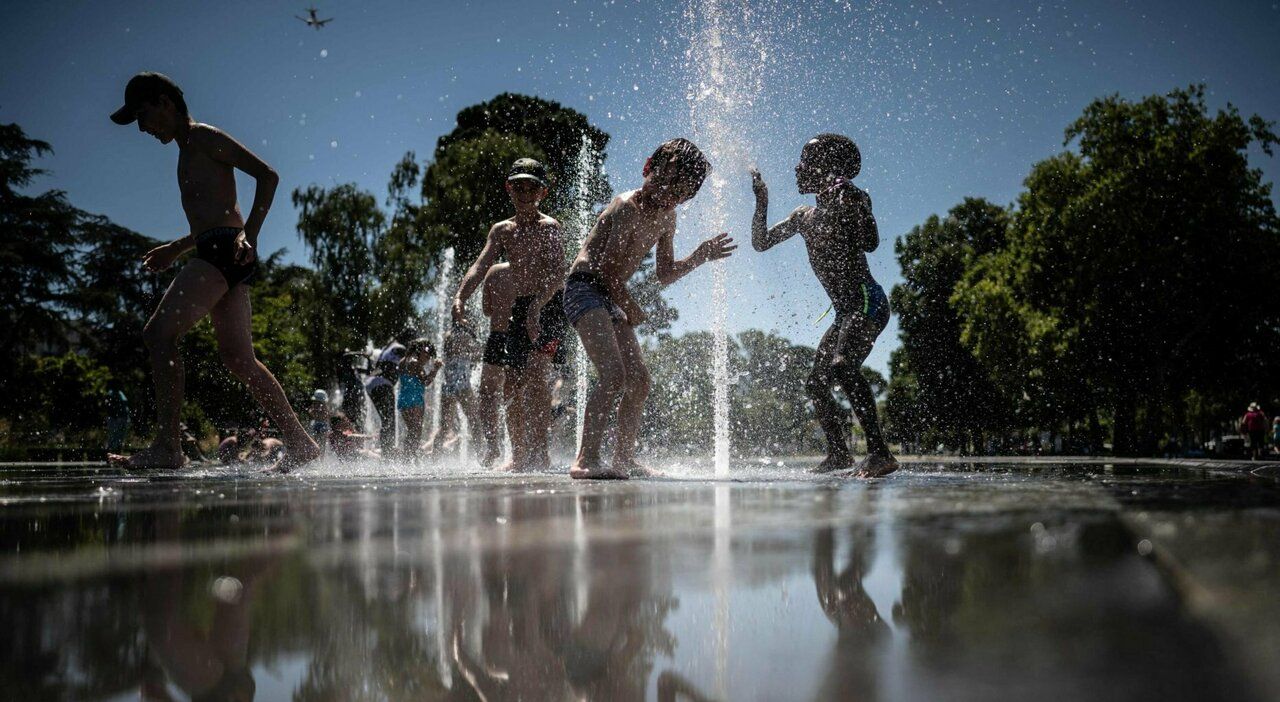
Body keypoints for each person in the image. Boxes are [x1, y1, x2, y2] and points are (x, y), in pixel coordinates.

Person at [106, 71, 319, 471]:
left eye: (143, 114)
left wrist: (250, 237)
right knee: (239, 359)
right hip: (218, 250)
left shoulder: (203, 137)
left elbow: (268, 176)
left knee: (158, 334)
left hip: (224, 251)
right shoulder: (188, 151)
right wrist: (178, 247)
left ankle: (169, 447)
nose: (142, 127)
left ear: (166, 103)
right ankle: (301, 443)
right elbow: (213, 217)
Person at [565, 138, 735, 479]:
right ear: (649, 170)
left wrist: (700, 256)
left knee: (639, 380)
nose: (668, 194)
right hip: (585, 288)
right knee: (613, 375)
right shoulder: (626, 206)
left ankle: (624, 459)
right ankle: (585, 459)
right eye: (664, 182)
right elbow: (606, 271)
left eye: (680, 192)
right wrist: (632, 307)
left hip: (610, 294)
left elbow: (665, 273)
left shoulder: (666, 219)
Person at [750, 133, 896, 477]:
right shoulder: (803, 216)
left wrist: (857, 203)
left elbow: (871, 243)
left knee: (843, 366)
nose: (797, 166)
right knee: (816, 382)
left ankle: (880, 453)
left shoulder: (852, 198)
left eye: (806, 159)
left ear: (829, 168)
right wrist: (762, 201)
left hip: (867, 301)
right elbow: (760, 242)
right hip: (846, 311)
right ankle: (839, 455)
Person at [452, 158, 569, 471]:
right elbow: (480, 264)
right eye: (518, 185)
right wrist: (461, 296)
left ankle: (540, 452)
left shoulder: (549, 227)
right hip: (522, 307)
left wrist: (538, 305)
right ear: (509, 188)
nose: (525, 192)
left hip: (548, 307)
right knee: (512, 383)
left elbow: (559, 272)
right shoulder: (502, 230)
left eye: (532, 186)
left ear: (542, 191)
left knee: (537, 376)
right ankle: (518, 454)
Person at [429, 321, 482, 455]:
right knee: (474, 420)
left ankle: (435, 456)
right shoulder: (462, 338)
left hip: (448, 387)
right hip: (462, 387)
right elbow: (477, 354)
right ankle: (481, 454)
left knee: (445, 425)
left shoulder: (450, 346)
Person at [364, 328, 414, 458]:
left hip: (373, 383)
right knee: (389, 421)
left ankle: (387, 451)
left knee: (387, 420)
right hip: (382, 384)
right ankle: (387, 454)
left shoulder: (391, 346)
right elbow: (408, 362)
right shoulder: (399, 348)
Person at [397, 338, 443, 458]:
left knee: (412, 431)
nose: (427, 359)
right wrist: (435, 369)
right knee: (415, 432)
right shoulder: (415, 364)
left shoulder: (403, 361)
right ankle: (409, 458)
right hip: (415, 400)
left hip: (403, 399)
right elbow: (426, 382)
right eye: (427, 355)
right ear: (420, 351)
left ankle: (409, 457)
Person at [104, 380, 130, 454]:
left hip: (121, 418)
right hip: (115, 418)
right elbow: (107, 404)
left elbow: (125, 404)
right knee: (113, 437)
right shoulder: (111, 393)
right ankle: (110, 455)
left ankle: (117, 454)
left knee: (119, 438)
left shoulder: (120, 393)